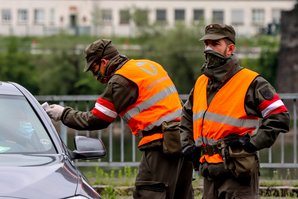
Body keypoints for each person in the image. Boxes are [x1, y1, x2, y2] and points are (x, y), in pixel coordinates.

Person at [45, 39, 194, 199]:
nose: (96, 76)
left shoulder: (121, 80)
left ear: (104, 62)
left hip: (160, 146)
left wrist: (63, 113)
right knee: (181, 194)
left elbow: (97, 119)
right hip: (183, 142)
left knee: (148, 192)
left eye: (95, 69)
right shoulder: (149, 65)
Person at [180, 23, 290, 199]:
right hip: (209, 172)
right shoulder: (201, 82)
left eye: (215, 44)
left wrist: (252, 142)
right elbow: (186, 116)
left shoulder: (251, 81)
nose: (208, 49)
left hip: (238, 172)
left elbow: (280, 116)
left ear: (230, 48)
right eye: (206, 43)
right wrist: (187, 144)